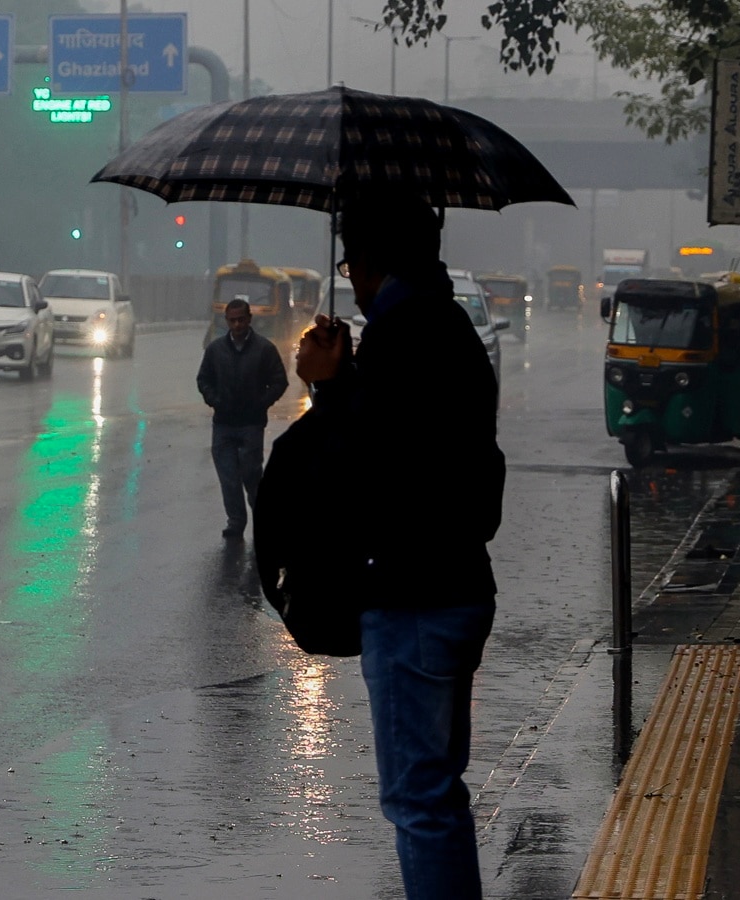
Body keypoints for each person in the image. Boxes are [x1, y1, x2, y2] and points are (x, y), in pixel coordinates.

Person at [294, 191, 503, 899]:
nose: (348, 278)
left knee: (419, 801)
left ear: (375, 261)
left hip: (415, 597)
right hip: (455, 584)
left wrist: (328, 387)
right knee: (438, 795)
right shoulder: (448, 327)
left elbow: (367, 468)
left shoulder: (402, 335)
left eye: (351, 261)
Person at [196, 297, 289, 539]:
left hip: (251, 424)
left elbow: (280, 381)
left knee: (251, 474)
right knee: (228, 477)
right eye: (232, 320)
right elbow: (203, 379)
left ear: (249, 319)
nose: (237, 325)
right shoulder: (216, 350)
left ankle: (262, 520)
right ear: (226, 321)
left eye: (241, 320)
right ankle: (236, 522)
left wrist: (261, 403)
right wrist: (214, 400)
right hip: (224, 423)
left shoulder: (264, 349)